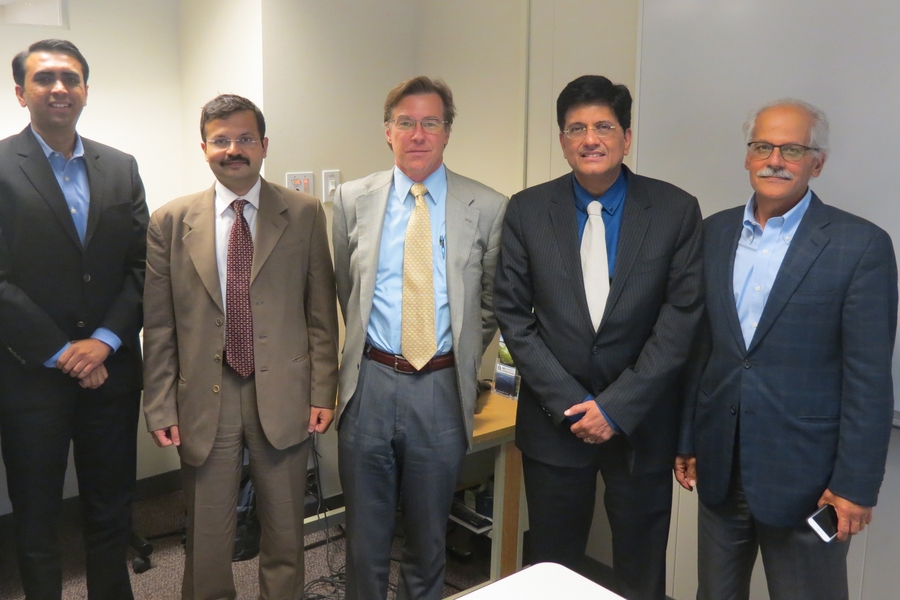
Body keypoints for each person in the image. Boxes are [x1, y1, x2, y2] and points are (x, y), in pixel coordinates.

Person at [675, 99, 897, 600]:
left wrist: (856, 485)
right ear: (748, 156)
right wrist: (686, 437)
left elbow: (869, 378)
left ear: (817, 162)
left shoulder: (860, 246)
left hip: (809, 480)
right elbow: (702, 350)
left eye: (792, 148)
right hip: (720, 466)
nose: (775, 159)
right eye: (762, 146)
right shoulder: (714, 232)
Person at [493, 75, 703, 600]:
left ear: (626, 138)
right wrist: (573, 403)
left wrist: (615, 408)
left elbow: (680, 321)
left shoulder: (676, 210)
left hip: (642, 425)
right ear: (562, 141)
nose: (591, 139)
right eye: (576, 128)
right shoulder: (525, 210)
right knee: (550, 567)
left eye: (603, 126)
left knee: (639, 568)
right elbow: (513, 317)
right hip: (554, 422)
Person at [142, 94, 339, 600]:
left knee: (284, 531)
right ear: (204, 147)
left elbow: (321, 314)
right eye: (222, 140)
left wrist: (323, 392)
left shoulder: (304, 213)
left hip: (285, 393)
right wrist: (160, 402)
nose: (234, 149)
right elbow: (160, 325)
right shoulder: (169, 222)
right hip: (207, 395)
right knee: (207, 535)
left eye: (245, 138)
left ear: (264, 144)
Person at [332, 76, 507, 600]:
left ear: (447, 132)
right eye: (406, 122)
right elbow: (347, 287)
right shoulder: (348, 201)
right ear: (388, 132)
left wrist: (452, 352)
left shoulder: (490, 206)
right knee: (364, 538)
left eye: (431, 122)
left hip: (441, 388)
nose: (418, 133)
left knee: (429, 537)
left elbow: (490, 304)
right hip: (370, 384)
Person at [0, 39, 149, 599]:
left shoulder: (120, 166)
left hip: (110, 373)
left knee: (112, 505)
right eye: (44, 79)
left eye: (71, 77)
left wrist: (105, 342)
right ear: (21, 92)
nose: (59, 88)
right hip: (29, 373)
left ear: (86, 88)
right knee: (36, 513)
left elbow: (141, 266)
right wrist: (65, 351)